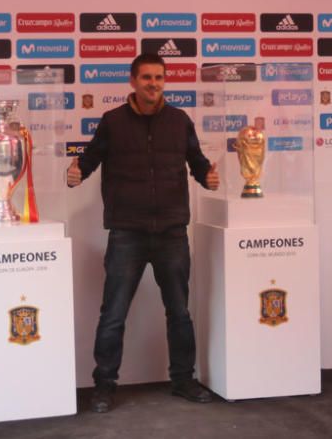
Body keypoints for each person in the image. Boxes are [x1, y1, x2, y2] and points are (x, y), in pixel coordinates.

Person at [66, 53, 220, 413]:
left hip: (171, 232)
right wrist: (74, 174)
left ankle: (183, 379)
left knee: (179, 311)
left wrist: (207, 177)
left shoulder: (180, 121)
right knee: (114, 313)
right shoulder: (113, 122)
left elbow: (197, 162)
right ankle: (104, 386)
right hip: (127, 234)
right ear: (133, 81)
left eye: (159, 77)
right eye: (147, 77)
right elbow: (88, 160)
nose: (154, 83)